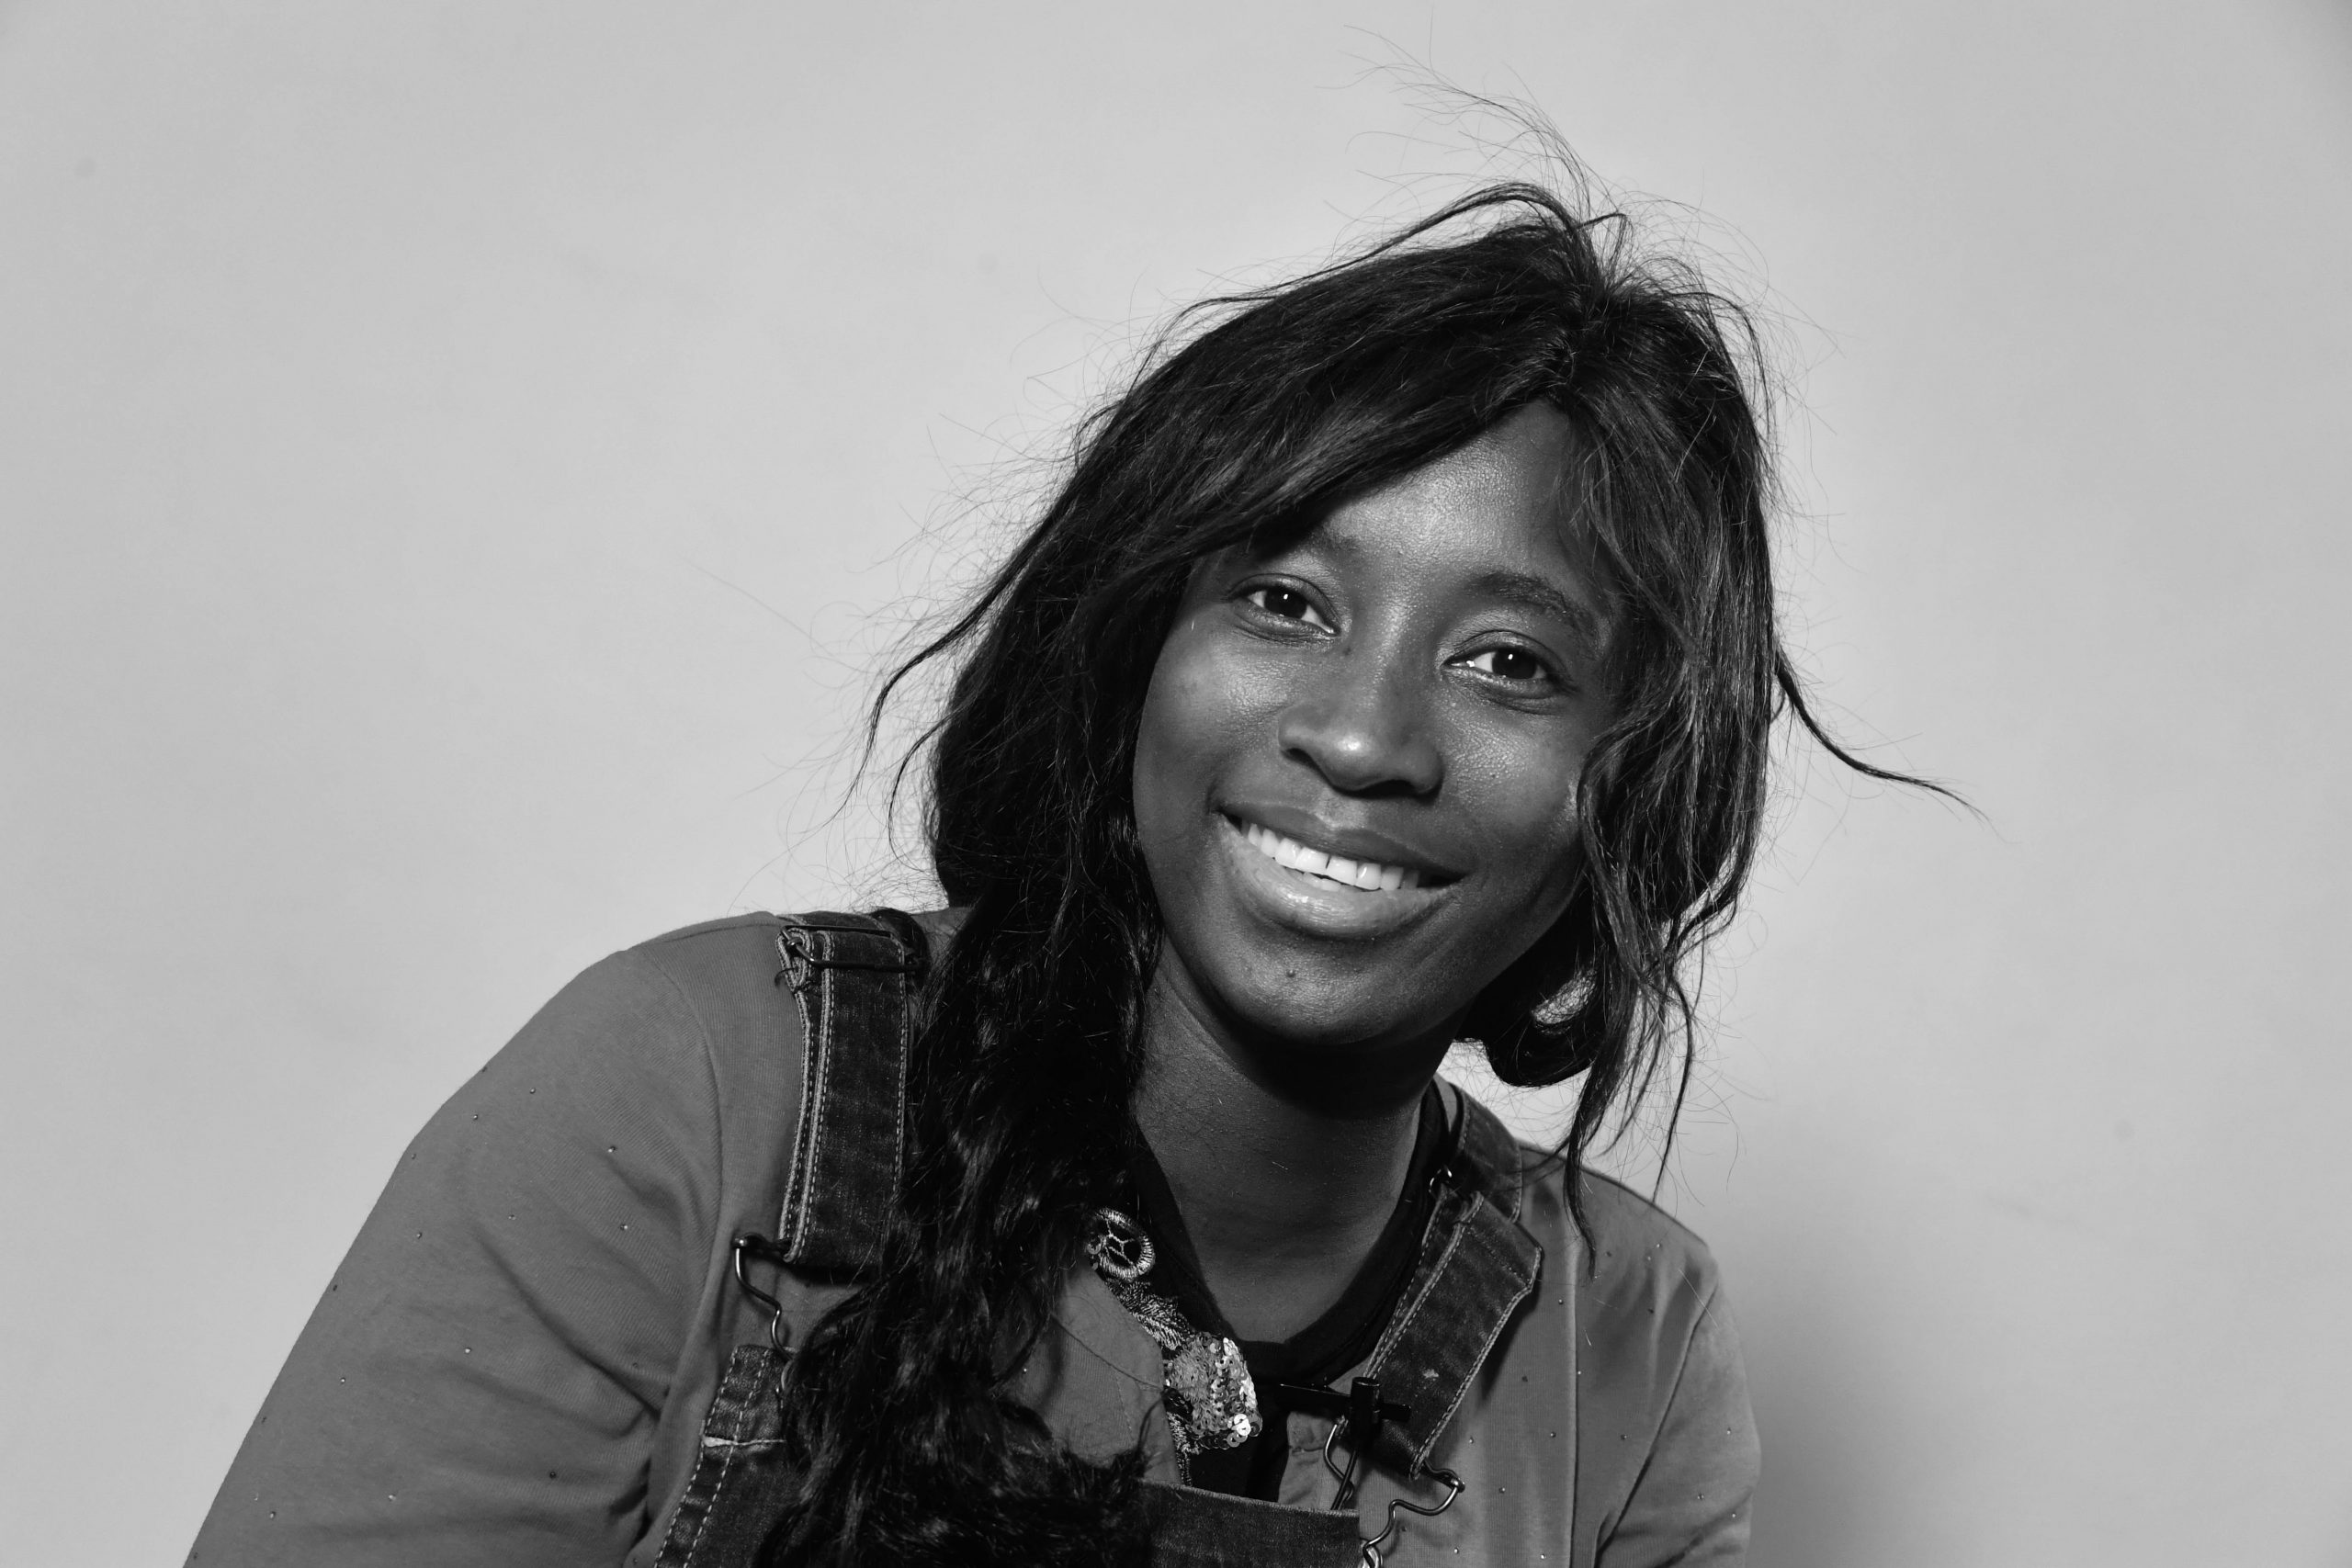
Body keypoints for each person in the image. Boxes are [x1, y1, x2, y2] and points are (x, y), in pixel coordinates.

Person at [190, 177, 1917, 1567]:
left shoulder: (1626, 1346)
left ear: (1638, 789)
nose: (1364, 737)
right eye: (1286, 602)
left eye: (1511, 663)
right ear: (1131, 656)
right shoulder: (700, 1090)